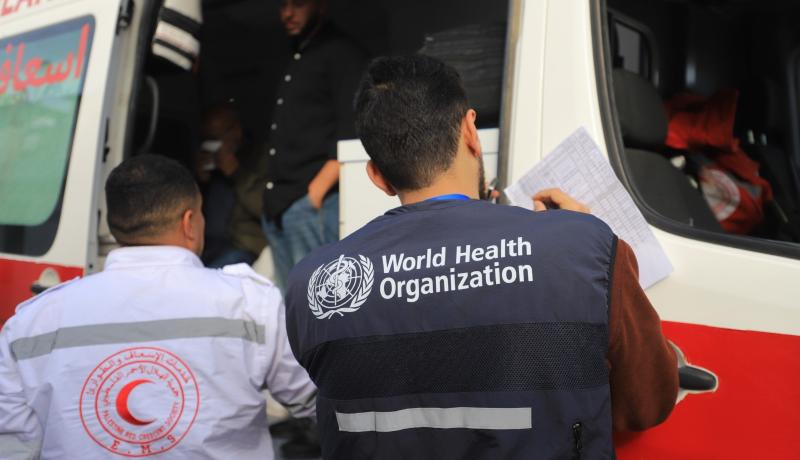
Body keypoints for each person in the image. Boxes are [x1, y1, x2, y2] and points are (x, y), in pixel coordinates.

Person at [283, 55, 678, 459]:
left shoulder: (309, 285)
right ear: (470, 131)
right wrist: (578, 239)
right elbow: (647, 404)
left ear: (377, 177)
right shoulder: (583, 247)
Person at [0, 155, 316, 459]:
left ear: (114, 224)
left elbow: (15, 446)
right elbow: (315, 400)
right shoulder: (251, 304)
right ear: (190, 222)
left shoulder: (31, 324)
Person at [260, 0, 368, 289]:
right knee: (291, 303)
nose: (287, 13)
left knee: (318, 301)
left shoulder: (342, 52)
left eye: (298, 3)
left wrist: (314, 195)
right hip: (279, 203)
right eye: (282, 5)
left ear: (321, 5)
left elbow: (352, 130)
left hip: (312, 202)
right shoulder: (291, 55)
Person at [194, 103, 268, 268]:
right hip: (206, 243)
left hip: (244, 246)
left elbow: (265, 207)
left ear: (236, 131)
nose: (212, 144)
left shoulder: (261, 159)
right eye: (207, 139)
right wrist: (200, 182)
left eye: (217, 137)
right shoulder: (208, 163)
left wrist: (235, 172)